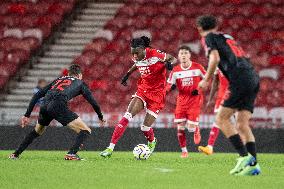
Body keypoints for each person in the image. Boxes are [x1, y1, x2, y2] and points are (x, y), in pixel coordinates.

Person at [197, 15, 261, 175]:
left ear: (199, 28)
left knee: (221, 118)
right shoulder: (227, 37)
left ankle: (243, 157)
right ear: (216, 25)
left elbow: (214, 58)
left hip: (239, 78)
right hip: (252, 76)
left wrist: (206, 80)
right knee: (241, 124)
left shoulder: (208, 38)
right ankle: (253, 165)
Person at [100, 36, 177, 158]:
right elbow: (137, 64)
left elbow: (173, 58)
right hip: (143, 90)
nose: (134, 56)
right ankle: (110, 148)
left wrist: (169, 64)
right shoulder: (137, 56)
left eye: (137, 53)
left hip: (157, 95)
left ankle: (152, 141)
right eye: (132, 53)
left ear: (144, 49)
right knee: (127, 116)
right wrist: (127, 74)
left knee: (145, 128)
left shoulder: (155, 53)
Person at [9, 64, 105, 160]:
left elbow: (37, 95)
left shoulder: (58, 80)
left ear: (68, 74)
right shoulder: (80, 83)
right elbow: (94, 103)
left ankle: (15, 154)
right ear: (79, 75)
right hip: (58, 105)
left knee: (37, 131)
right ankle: (71, 154)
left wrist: (27, 115)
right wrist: (100, 116)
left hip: (44, 105)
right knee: (85, 130)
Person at [167, 45, 205, 158]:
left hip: (195, 100)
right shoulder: (175, 70)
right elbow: (169, 85)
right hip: (182, 100)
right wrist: (168, 90)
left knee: (191, 128)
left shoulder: (198, 67)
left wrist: (198, 89)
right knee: (180, 126)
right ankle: (184, 151)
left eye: (185, 53)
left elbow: (207, 79)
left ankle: (195, 128)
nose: (183, 55)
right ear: (178, 56)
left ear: (189, 55)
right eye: (181, 53)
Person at [198, 69, 228, 155]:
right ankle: (210, 147)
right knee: (218, 121)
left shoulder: (234, 61)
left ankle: (246, 150)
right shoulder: (217, 65)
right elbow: (215, 82)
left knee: (239, 124)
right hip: (222, 96)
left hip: (235, 96)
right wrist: (210, 99)